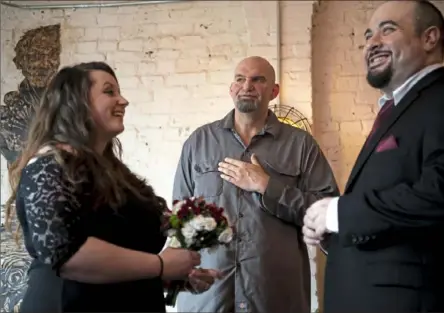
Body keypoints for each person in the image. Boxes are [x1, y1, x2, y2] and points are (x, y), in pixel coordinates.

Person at [4, 61, 221, 312]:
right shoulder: (48, 168)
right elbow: (66, 255)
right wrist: (160, 265)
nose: (124, 101)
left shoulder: (118, 176)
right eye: (109, 92)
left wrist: (171, 277)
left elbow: (123, 253)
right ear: (77, 104)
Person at [302, 1, 444, 312]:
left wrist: (340, 213)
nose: (372, 43)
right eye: (368, 35)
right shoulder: (395, 110)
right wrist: (337, 230)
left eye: (388, 30)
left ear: (429, 38)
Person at [172, 56, 339, 312]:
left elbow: (327, 215)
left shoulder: (301, 145)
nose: (247, 86)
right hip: (208, 299)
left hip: (275, 299)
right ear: (231, 89)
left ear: (274, 91)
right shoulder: (199, 142)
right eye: (240, 79)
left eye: (257, 80)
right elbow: (179, 219)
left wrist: (267, 186)